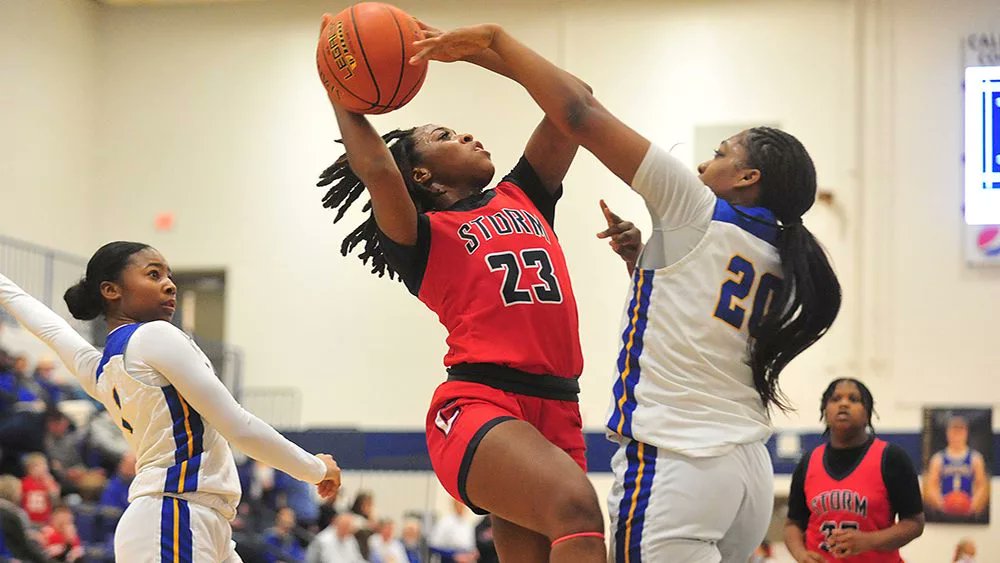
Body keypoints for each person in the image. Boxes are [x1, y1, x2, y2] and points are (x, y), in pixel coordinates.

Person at [410, 21, 843, 563]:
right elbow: (701, 317)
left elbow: (577, 112)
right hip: (748, 476)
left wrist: (491, 45)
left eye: (721, 152)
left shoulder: (694, 204)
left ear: (747, 177)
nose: (705, 161)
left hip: (681, 462)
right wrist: (645, 264)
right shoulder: (785, 254)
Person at [317, 22, 605, 562]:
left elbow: (577, 102)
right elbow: (378, 166)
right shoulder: (420, 237)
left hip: (559, 405)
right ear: (422, 175)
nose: (468, 135)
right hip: (481, 403)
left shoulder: (524, 195)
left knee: (554, 541)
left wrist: (485, 54)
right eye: (446, 137)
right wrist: (340, 90)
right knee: (580, 512)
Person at [0, 242, 341, 561]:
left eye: (169, 276)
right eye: (153, 274)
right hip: (175, 514)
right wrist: (315, 468)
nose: (169, 284)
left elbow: (50, 328)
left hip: (191, 519)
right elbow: (237, 426)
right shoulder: (154, 335)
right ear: (110, 290)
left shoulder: (101, 368)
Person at [783, 378, 924, 562]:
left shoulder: (891, 458)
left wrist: (869, 541)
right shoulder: (808, 462)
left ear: (867, 414)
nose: (843, 403)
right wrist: (801, 555)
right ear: (825, 412)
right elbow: (793, 524)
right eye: (835, 399)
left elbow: (914, 523)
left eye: (854, 399)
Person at [924, 416, 990, 518]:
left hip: (969, 511)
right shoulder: (938, 458)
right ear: (947, 433)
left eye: (960, 431)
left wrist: (972, 505)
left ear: (966, 433)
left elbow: (981, 486)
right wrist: (941, 504)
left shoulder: (975, 458)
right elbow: (932, 486)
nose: (957, 435)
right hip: (943, 511)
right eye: (954, 431)